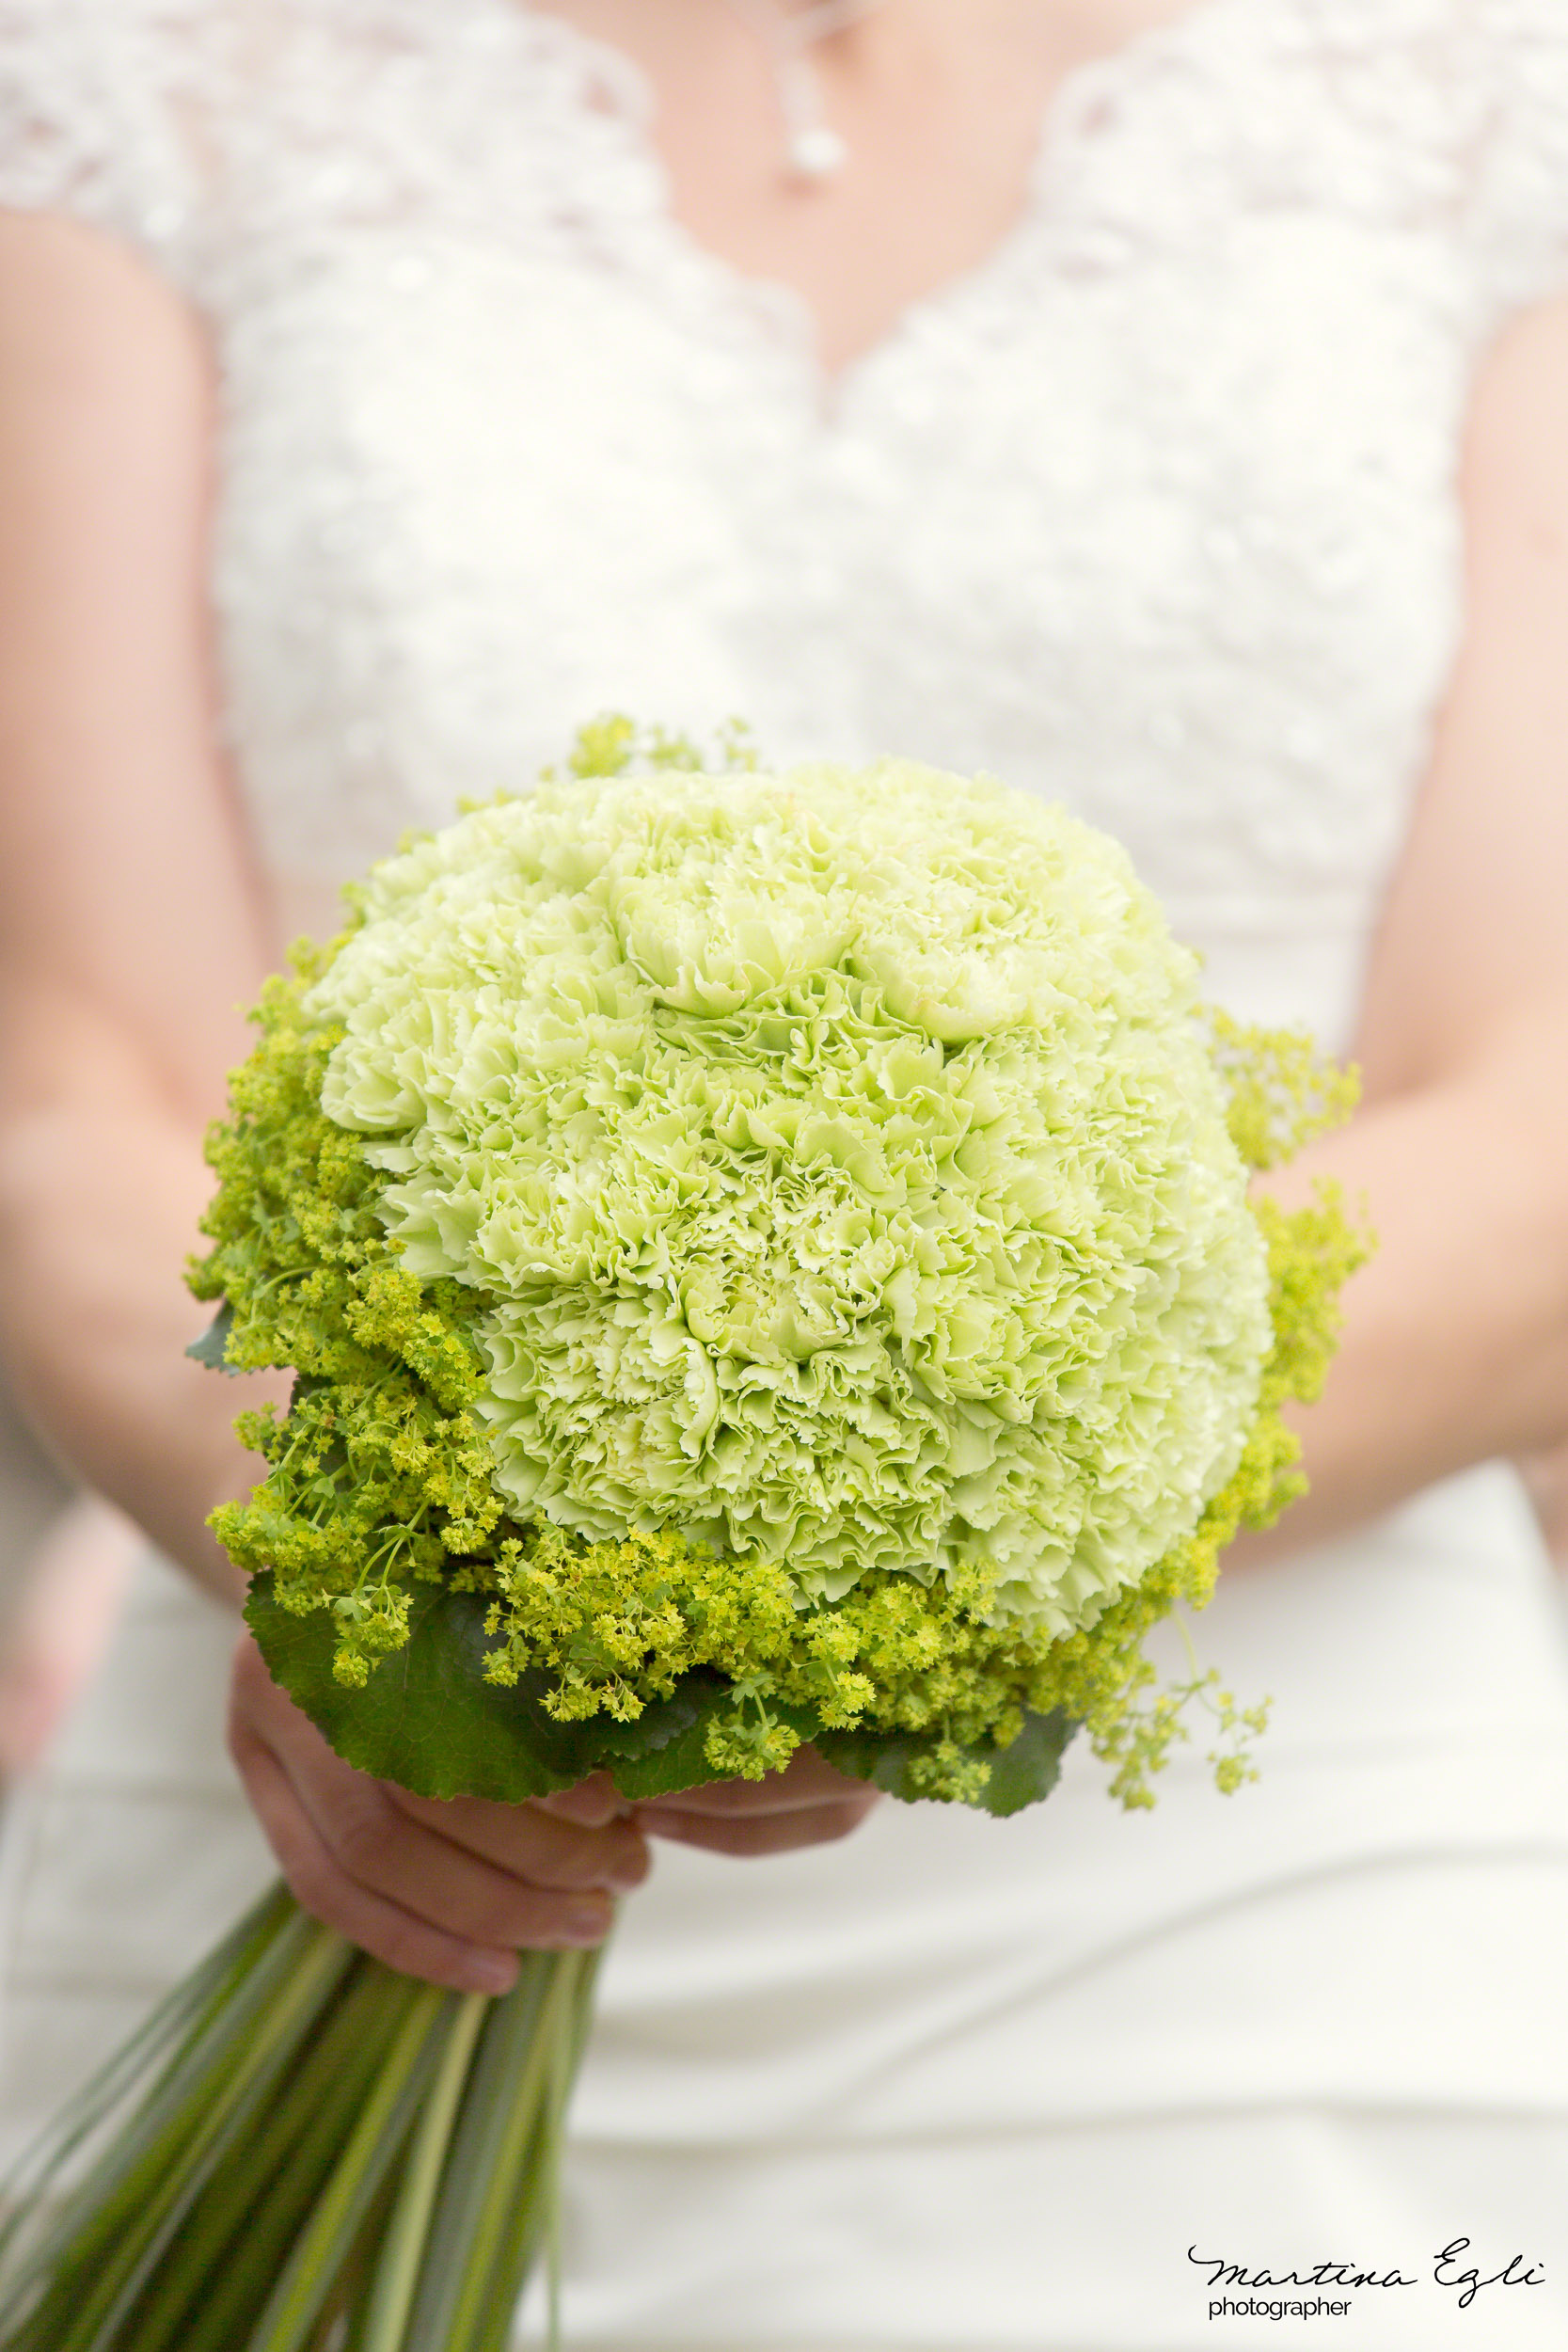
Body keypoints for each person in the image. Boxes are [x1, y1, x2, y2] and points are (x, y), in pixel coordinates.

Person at [1, 3, 1567, 2344]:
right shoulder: (147, 77)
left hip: (1252, 1934)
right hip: (343, 1781)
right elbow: (79, 1076)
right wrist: (364, 1580)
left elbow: (1535, 1107)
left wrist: (901, 1547)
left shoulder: (1477, 87)